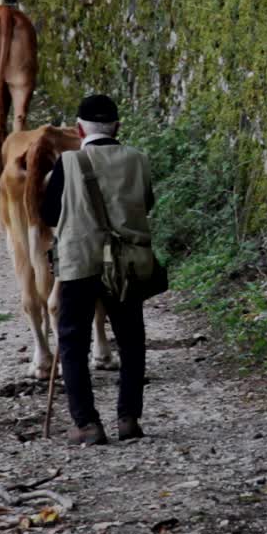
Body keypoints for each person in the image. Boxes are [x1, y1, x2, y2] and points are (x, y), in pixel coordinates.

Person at [40, 94, 155, 445]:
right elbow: (146, 203)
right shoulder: (138, 160)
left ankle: (87, 424)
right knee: (132, 340)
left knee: (73, 341)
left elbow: (48, 214)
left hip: (79, 262)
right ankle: (129, 419)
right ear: (118, 126)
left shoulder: (68, 162)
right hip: (126, 265)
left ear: (78, 130)